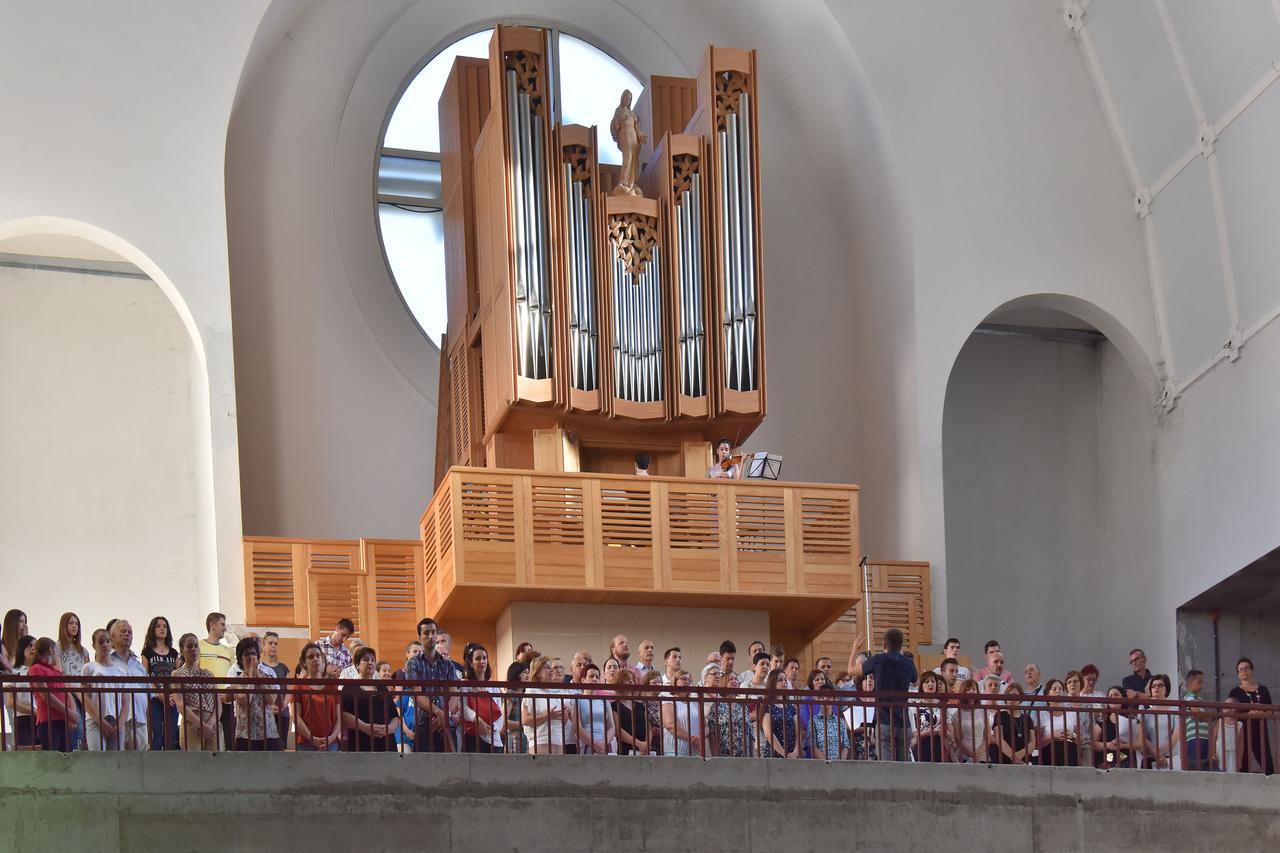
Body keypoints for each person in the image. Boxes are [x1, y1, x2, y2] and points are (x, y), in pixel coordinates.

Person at [849, 628, 917, 761]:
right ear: (901, 645)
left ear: (885, 645)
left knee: (887, 767)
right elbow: (915, 680)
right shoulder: (908, 663)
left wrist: (854, 649)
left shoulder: (879, 660)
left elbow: (851, 671)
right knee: (903, 767)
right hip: (904, 721)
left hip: (885, 719)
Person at [406, 617, 460, 753]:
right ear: (419, 637)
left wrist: (445, 715)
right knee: (424, 769)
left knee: (450, 769)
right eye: (426, 633)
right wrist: (438, 712)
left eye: (433, 632)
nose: (431, 636)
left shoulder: (447, 664)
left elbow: (454, 694)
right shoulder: (413, 662)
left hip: (446, 723)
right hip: (424, 723)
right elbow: (417, 694)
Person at [339, 646, 398, 752]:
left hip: (385, 742)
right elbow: (343, 715)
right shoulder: (349, 687)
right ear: (357, 665)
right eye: (366, 660)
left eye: (372, 660)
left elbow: (394, 716)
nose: (370, 662)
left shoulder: (383, 688)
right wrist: (365, 727)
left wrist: (388, 729)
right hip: (360, 742)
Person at [231, 638, 281, 751]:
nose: (251, 657)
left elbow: (271, 700)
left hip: (269, 733)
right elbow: (244, 701)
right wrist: (252, 677)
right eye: (247, 654)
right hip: (245, 735)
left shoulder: (267, 677)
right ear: (240, 658)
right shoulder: (236, 681)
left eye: (254, 653)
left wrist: (258, 676)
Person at [172, 632, 220, 750]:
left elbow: (218, 703)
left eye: (196, 645)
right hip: (191, 723)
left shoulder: (209, 674)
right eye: (189, 646)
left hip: (212, 723)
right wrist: (201, 725)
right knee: (194, 763)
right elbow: (180, 705)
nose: (193, 649)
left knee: (216, 763)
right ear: (182, 651)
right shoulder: (177, 674)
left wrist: (210, 724)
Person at [106, 620, 149, 750]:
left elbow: (147, 696)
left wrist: (149, 725)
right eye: (123, 631)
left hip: (140, 722)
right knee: (117, 764)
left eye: (130, 632)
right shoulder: (107, 663)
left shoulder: (139, 666)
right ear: (112, 637)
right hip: (116, 722)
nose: (127, 634)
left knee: (140, 765)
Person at [28, 637, 77, 752]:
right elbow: (46, 696)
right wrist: (69, 712)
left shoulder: (55, 671)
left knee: (67, 760)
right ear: (51, 650)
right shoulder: (36, 669)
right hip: (49, 720)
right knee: (53, 760)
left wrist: (72, 714)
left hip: (63, 719)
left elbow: (67, 693)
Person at [1228, 656, 1274, 774]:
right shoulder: (1235, 692)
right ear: (1238, 674)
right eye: (1241, 669)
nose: (1244, 671)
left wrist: (1261, 713)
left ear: (1252, 670)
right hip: (1243, 732)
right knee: (1244, 763)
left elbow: (1270, 711)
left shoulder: (1263, 690)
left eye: (1246, 668)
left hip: (1260, 731)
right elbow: (1231, 713)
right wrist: (1248, 714)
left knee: (1267, 763)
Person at [140, 616, 180, 750]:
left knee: (171, 733)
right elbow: (145, 676)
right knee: (156, 733)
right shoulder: (147, 652)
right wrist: (159, 694)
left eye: (164, 626)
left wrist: (174, 694)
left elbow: (177, 676)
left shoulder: (174, 653)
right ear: (153, 629)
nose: (162, 628)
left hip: (172, 698)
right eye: (158, 626)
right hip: (155, 698)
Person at [292, 642, 340, 752]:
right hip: (306, 742)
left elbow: (339, 717)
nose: (315, 659)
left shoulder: (332, 687)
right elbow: (296, 716)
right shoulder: (299, 686)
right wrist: (311, 738)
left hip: (331, 742)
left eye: (318, 656)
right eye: (310, 657)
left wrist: (331, 738)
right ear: (304, 663)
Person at [199, 612, 235, 750]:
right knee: (208, 738)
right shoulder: (199, 646)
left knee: (229, 739)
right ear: (212, 625)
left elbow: (233, 675)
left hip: (225, 700)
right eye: (222, 624)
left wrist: (227, 693)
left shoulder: (228, 651)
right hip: (206, 701)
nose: (225, 628)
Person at [522, 655, 572, 754]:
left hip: (559, 741)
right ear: (538, 673)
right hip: (541, 741)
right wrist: (549, 716)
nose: (551, 670)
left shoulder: (555, 692)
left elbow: (561, 723)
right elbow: (525, 720)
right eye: (547, 668)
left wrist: (564, 717)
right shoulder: (532, 690)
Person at [460, 644, 504, 753]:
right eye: (478, 658)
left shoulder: (494, 688)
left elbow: (500, 713)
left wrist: (492, 728)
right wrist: (478, 721)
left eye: (484, 658)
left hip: (494, 739)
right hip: (472, 737)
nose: (482, 661)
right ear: (470, 663)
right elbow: (464, 708)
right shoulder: (465, 685)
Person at [81, 628, 120, 750]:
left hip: (115, 720)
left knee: (116, 762)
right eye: (101, 642)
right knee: (98, 759)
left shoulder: (119, 671)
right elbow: (84, 697)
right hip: (94, 719)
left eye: (108, 641)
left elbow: (125, 700)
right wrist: (98, 719)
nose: (105, 645)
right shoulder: (89, 667)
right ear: (94, 645)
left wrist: (120, 723)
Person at [56, 612, 88, 749]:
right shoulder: (58, 647)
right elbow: (58, 672)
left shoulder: (83, 650)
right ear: (64, 625)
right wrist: (74, 690)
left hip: (83, 691)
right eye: (71, 623)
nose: (74, 626)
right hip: (68, 691)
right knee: (76, 725)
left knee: (86, 725)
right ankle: (73, 751)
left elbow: (88, 672)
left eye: (77, 623)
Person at [1093, 686, 1144, 768]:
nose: (1113, 697)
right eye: (1110, 696)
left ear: (1123, 699)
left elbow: (1140, 744)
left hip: (1127, 764)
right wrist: (1109, 745)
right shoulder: (1102, 721)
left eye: (1116, 695)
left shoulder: (1133, 720)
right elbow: (1093, 743)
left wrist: (1122, 746)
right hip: (1105, 765)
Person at [574, 663, 616, 754]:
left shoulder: (605, 701)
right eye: (591, 676)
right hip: (586, 745)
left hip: (604, 745)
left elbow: (612, 727)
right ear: (583, 680)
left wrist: (603, 743)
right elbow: (577, 726)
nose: (594, 679)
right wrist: (593, 744)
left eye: (597, 677)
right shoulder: (578, 701)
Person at [1037, 678, 1080, 766]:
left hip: (1070, 752)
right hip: (1050, 754)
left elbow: (1081, 738)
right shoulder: (1042, 714)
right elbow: (1038, 743)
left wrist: (1073, 736)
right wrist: (1052, 736)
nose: (1058, 691)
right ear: (1048, 696)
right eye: (1054, 689)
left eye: (1060, 689)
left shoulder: (1072, 713)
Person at [986, 682, 1032, 764]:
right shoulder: (1000, 715)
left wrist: (1019, 755)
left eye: (1014, 695)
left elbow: (1032, 742)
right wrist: (1013, 757)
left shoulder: (1027, 718)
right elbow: (999, 739)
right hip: (1004, 761)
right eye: (1008, 695)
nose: (1011, 698)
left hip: (1023, 761)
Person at [708, 670, 750, 757]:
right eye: (731, 679)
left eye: (735, 679)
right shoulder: (717, 706)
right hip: (724, 755)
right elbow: (712, 733)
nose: (734, 681)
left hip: (744, 755)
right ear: (724, 682)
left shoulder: (742, 706)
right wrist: (715, 755)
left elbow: (750, 732)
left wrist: (752, 755)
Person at [759, 668, 800, 758]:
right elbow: (769, 734)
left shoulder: (790, 707)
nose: (784, 682)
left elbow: (798, 732)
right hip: (774, 755)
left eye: (785, 680)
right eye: (780, 680)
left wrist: (795, 751)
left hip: (792, 755)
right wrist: (784, 753)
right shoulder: (767, 707)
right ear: (773, 683)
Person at [661, 669, 702, 756]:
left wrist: (699, 737)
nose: (687, 681)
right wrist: (692, 739)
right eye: (683, 678)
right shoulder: (668, 698)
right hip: (674, 752)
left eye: (689, 680)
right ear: (675, 681)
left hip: (694, 752)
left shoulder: (695, 702)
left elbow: (705, 727)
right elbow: (670, 724)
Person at [611, 668, 651, 755]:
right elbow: (618, 730)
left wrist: (646, 744)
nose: (631, 681)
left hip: (644, 750)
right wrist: (639, 744)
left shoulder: (640, 706)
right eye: (627, 679)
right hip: (625, 750)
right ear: (620, 682)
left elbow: (648, 728)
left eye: (632, 679)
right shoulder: (614, 706)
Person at [1142, 673, 1177, 769]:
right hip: (1151, 757)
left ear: (1167, 689)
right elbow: (1143, 737)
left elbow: (1177, 734)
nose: (1156, 688)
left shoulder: (1175, 710)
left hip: (1171, 757)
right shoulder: (1145, 713)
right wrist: (1156, 754)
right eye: (1153, 686)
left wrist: (1162, 753)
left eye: (1160, 685)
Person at [1180, 669, 1214, 771]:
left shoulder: (1199, 700)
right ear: (1190, 683)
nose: (1201, 685)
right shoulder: (1189, 697)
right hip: (1195, 738)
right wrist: (1209, 716)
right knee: (1197, 767)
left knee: (1204, 767)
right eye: (1199, 682)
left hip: (1204, 738)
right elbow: (1197, 714)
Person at [806, 683, 849, 761]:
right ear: (818, 699)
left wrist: (840, 762)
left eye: (829, 696)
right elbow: (812, 745)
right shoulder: (813, 721)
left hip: (838, 766)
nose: (826, 698)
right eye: (822, 697)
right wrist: (827, 763)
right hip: (821, 766)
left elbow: (845, 745)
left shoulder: (840, 722)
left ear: (833, 699)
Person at [911, 671, 947, 762]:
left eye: (933, 681)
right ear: (921, 686)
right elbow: (914, 733)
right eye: (926, 682)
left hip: (939, 745)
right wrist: (933, 731)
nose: (930, 684)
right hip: (922, 745)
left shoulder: (942, 705)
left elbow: (947, 729)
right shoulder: (915, 706)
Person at [13, 635, 38, 749]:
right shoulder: (15, 671)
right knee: (26, 754)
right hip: (23, 718)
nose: (33, 649)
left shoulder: (40, 670)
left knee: (43, 753)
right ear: (22, 648)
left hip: (40, 718)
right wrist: (35, 711)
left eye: (35, 646)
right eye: (30, 645)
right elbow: (10, 701)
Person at [846, 672, 877, 760]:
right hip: (860, 737)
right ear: (860, 682)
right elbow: (849, 726)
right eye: (866, 678)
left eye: (872, 678)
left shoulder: (880, 700)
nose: (869, 680)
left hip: (878, 736)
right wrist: (867, 730)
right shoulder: (854, 701)